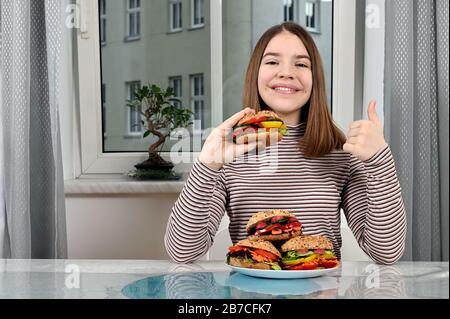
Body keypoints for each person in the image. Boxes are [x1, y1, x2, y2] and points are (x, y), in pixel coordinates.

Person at [164, 22, 406, 265]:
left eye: (301, 64)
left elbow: (386, 252)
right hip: (249, 299)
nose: (286, 72)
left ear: (315, 80)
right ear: (255, 73)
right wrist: (207, 165)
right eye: (272, 62)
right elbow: (183, 252)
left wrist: (380, 162)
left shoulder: (340, 152)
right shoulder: (229, 152)